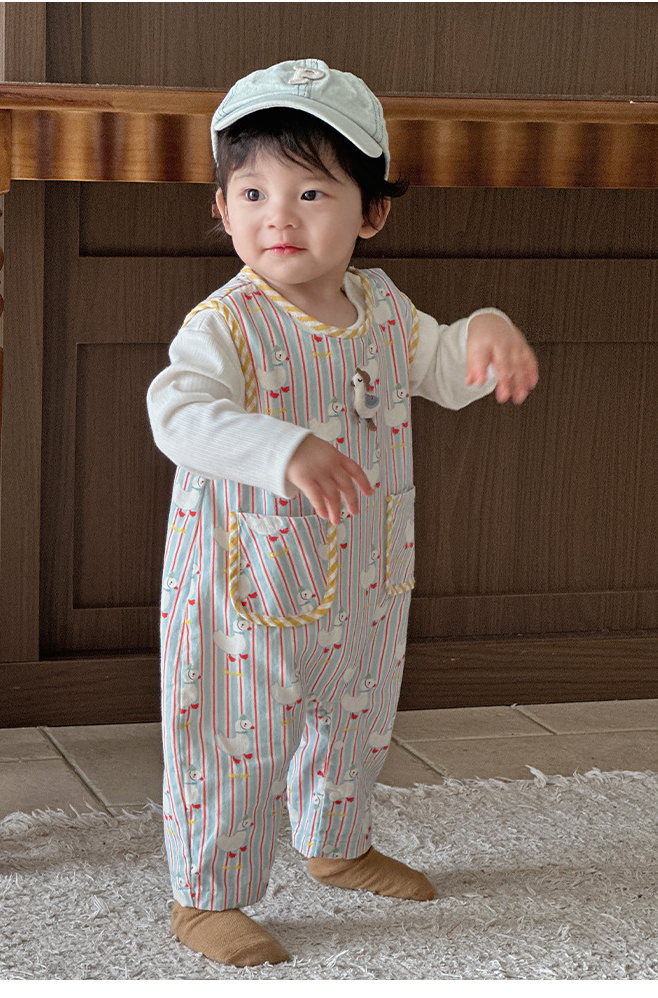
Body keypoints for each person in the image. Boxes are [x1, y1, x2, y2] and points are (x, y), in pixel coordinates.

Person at [147, 58, 538, 967]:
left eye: (312, 192)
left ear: (371, 213)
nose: (278, 217)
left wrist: (483, 330)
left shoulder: (384, 310)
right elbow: (179, 412)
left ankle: (336, 845)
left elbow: (443, 366)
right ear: (223, 208)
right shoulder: (228, 324)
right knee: (235, 740)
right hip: (245, 594)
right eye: (252, 193)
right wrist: (280, 449)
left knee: (355, 721)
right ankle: (206, 897)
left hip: (366, 576)